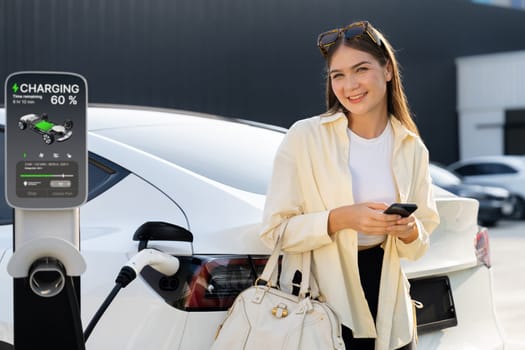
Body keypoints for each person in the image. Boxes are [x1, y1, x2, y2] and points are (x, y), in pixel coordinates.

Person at [259, 21, 440, 350]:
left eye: (361, 69)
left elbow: (421, 242)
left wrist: (409, 229)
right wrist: (340, 218)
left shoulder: (412, 147)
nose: (349, 85)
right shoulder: (305, 137)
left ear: (387, 70)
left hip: (389, 302)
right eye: (337, 75)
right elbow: (275, 231)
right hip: (321, 302)